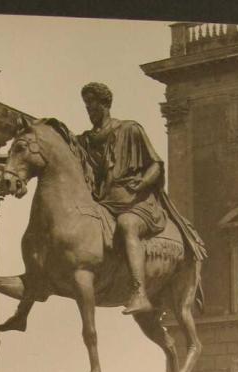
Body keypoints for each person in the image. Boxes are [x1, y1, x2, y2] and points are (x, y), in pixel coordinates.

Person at [77, 82, 206, 315]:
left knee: (127, 224)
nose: (89, 111)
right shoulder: (86, 140)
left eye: (92, 106)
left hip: (139, 204)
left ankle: (139, 292)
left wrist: (143, 182)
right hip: (106, 204)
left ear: (105, 104)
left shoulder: (130, 129)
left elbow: (156, 164)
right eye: (86, 106)